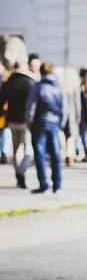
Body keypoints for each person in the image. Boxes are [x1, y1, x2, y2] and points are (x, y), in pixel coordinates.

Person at [26, 62, 65, 194]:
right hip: (54, 124)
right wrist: (61, 124)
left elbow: (32, 107)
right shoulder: (59, 88)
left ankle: (44, 185)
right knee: (55, 155)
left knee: (40, 155)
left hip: (40, 123)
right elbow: (64, 109)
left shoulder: (38, 87)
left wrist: (29, 123)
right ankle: (57, 184)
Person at [0, 56, 37, 188]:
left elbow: (2, 101)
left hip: (12, 120)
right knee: (29, 149)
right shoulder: (31, 82)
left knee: (17, 148)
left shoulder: (8, 82)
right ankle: (21, 170)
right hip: (26, 121)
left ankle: (18, 173)